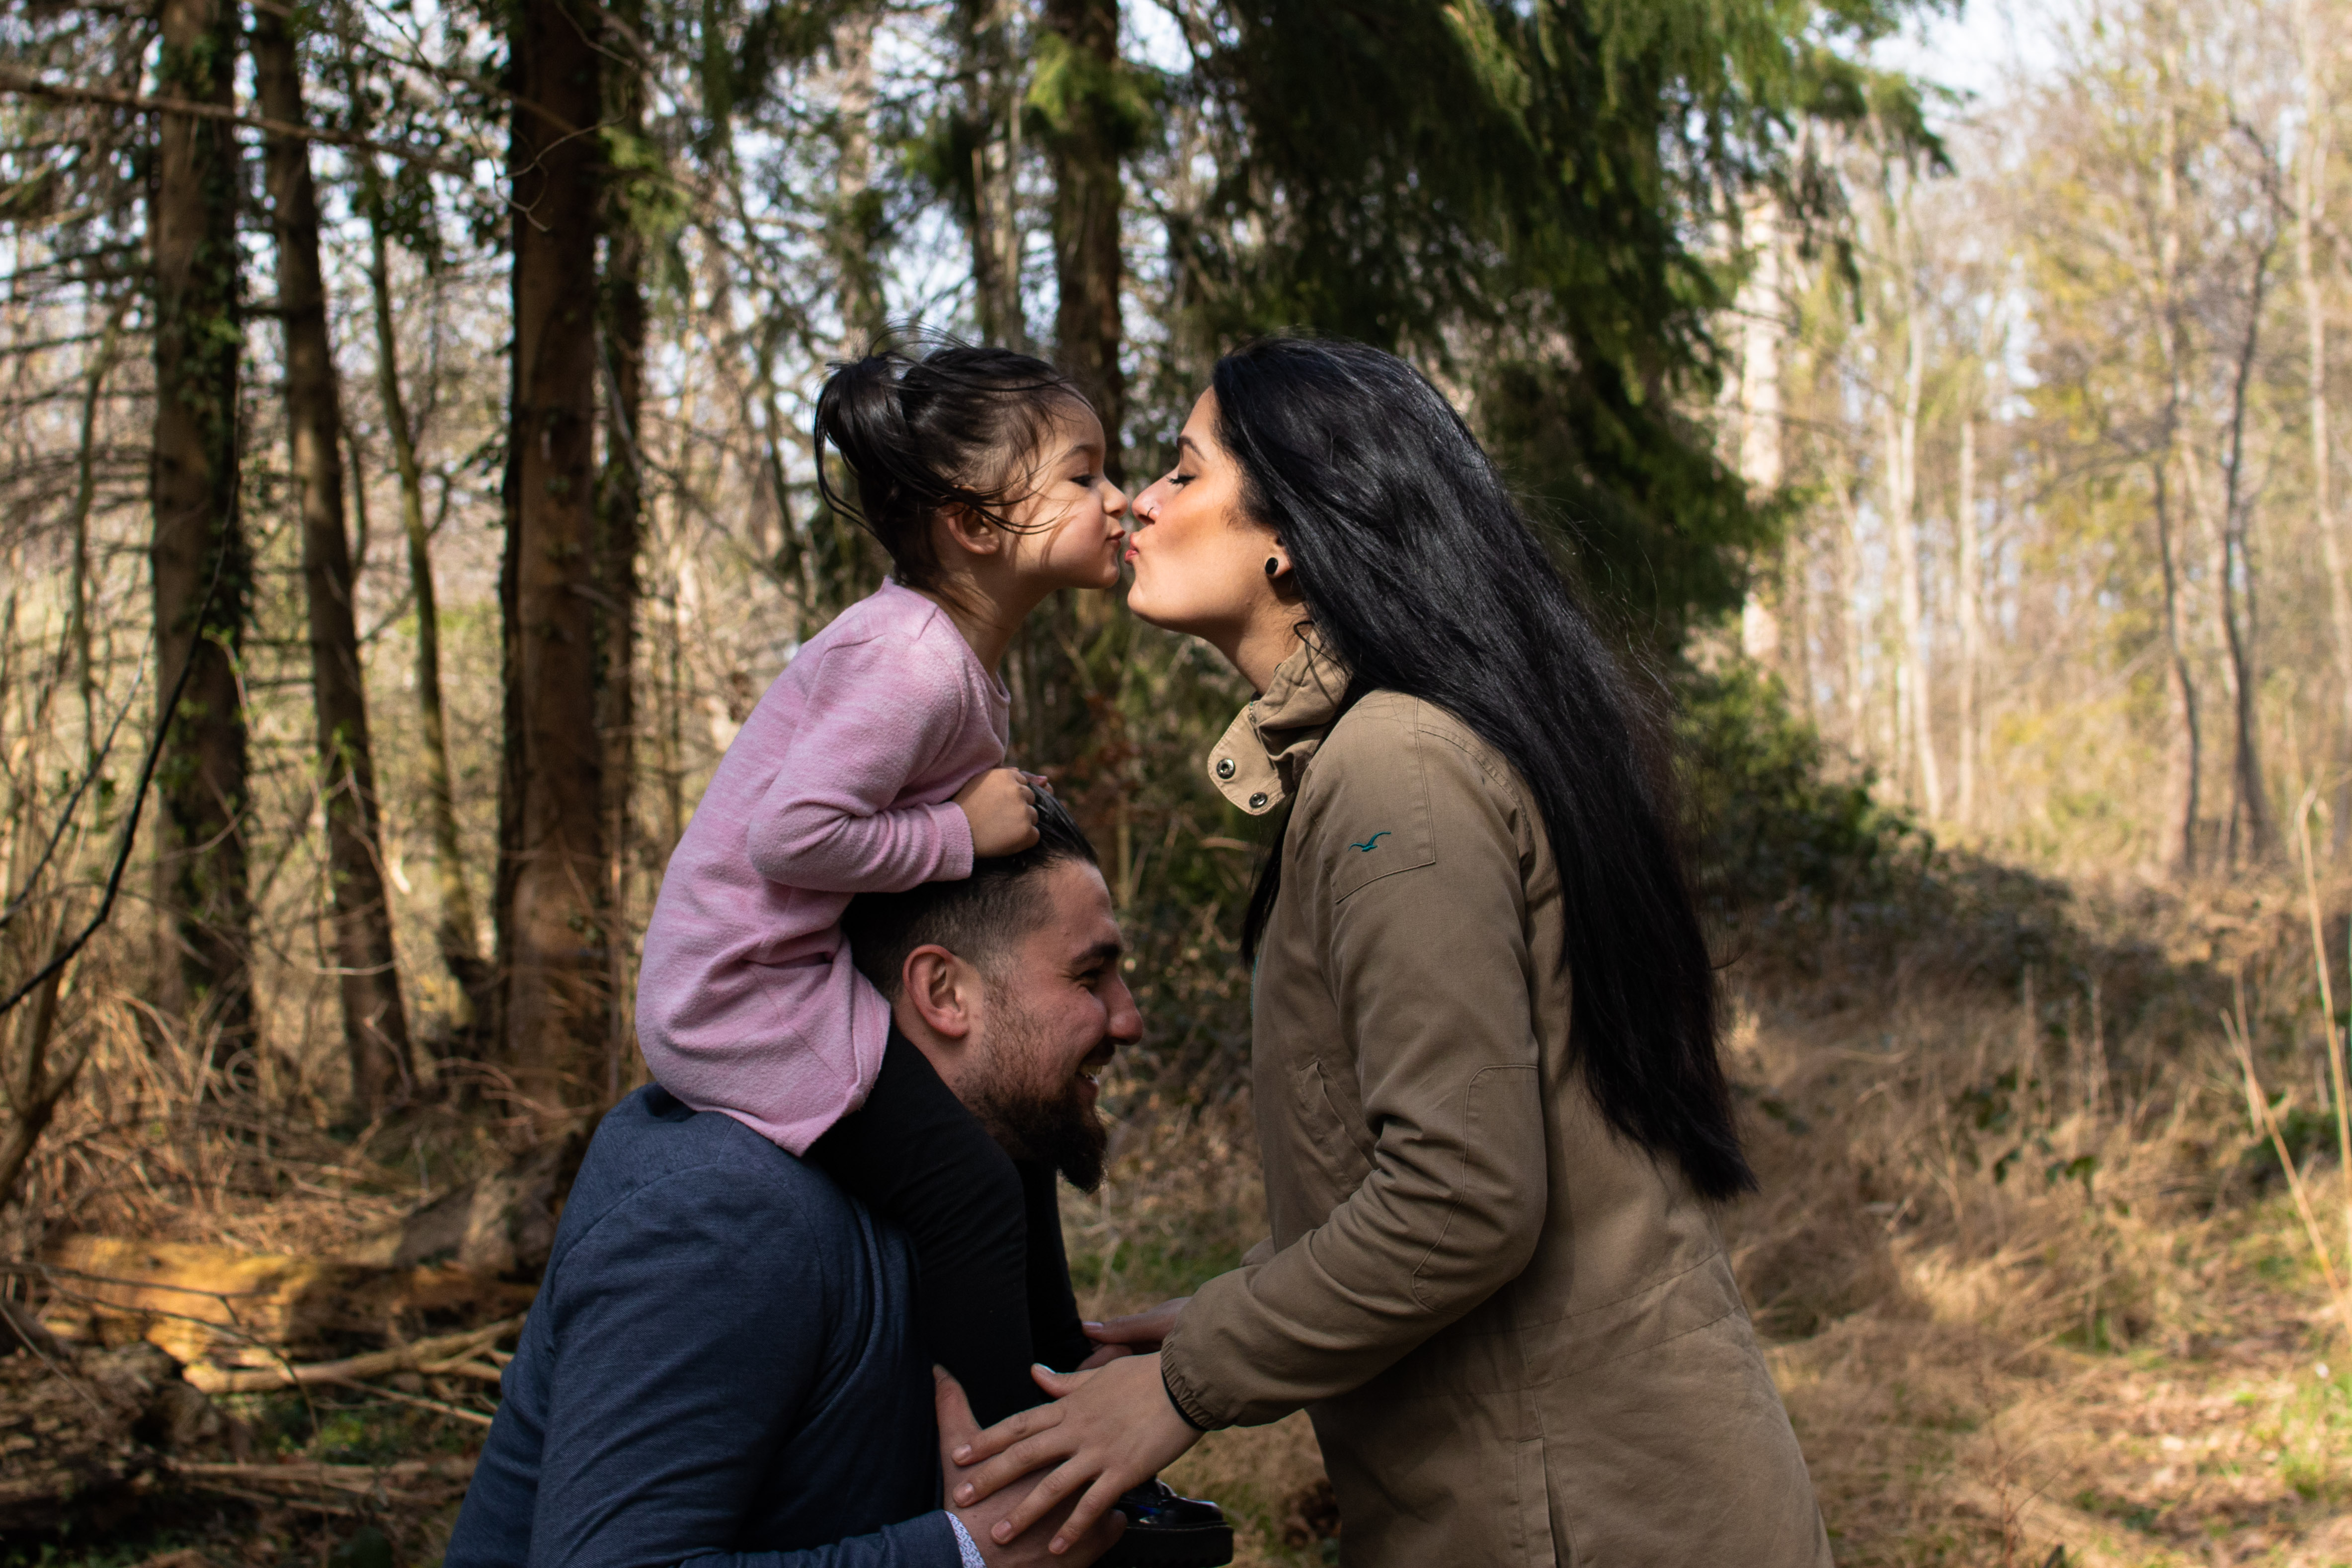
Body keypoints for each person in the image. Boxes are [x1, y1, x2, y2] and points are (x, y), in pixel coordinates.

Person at [950, 335, 1836, 1566]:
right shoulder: (1381, 761)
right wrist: (1226, 1308)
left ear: (1290, 534)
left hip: (1585, 1518)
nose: (1141, 502)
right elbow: (1428, 1168)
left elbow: (1465, 1199)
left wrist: (1182, 1387)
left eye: (1183, 470)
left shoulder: (1396, 772)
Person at [444, 798, 1151, 1568]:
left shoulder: (977, 1173)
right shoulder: (727, 1212)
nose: (1129, 1020)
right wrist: (963, 1557)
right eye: (1090, 977)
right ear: (943, 994)